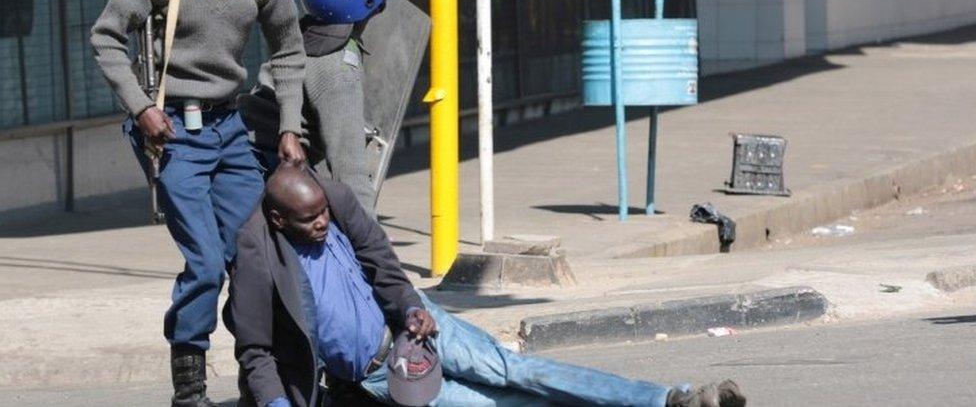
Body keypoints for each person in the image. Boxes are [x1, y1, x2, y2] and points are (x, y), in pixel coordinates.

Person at [224, 166, 747, 407]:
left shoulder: (332, 198)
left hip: (416, 327)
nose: (321, 224)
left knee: (516, 371)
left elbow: (381, 261)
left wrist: (409, 307)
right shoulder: (256, 257)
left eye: (323, 214)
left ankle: (667, 400)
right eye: (309, 220)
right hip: (383, 377)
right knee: (498, 403)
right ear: (276, 217)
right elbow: (255, 349)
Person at [89, 0, 305, 405]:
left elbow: (289, 49)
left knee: (251, 256)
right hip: (174, 137)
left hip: (231, 130)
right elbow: (106, 38)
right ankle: (189, 388)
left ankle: (259, 371)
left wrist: (289, 126)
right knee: (206, 262)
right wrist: (140, 108)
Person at [240, 0, 420, 215]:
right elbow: (350, 175)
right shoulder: (337, 69)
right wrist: (374, 250)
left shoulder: (304, 35)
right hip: (270, 174)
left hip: (249, 162)